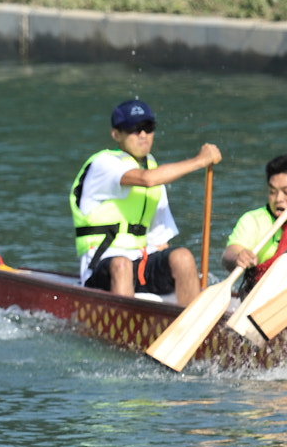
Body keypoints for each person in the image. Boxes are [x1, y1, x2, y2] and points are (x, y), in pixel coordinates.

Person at [69, 98, 219, 305]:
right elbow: (146, 180)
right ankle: (121, 328)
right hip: (102, 268)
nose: (143, 135)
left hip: (141, 265)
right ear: (116, 134)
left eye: (148, 128)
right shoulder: (104, 164)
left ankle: (195, 323)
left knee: (182, 257)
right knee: (122, 265)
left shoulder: (154, 169)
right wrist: (199, 161)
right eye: (134, 128)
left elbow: (159, 240)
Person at [221, 154, 287, 276]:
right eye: (272, 192)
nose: (278, 199)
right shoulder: (254, 220)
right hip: (264, 291)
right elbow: (229, 254)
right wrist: (238, 257)